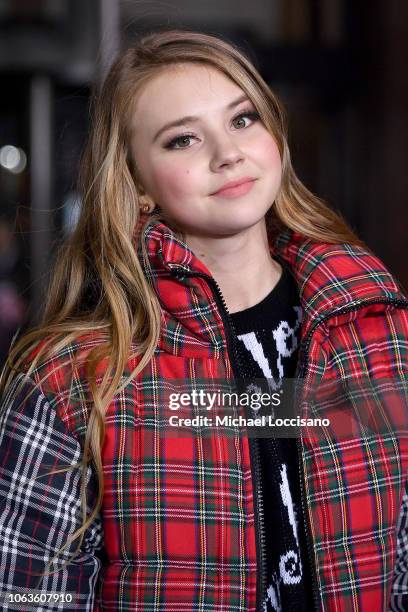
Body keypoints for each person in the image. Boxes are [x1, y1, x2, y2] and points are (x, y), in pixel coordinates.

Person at [0, 29, 407, 612]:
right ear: (138, 185)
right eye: (183, 139)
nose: (227, 153)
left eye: (243, 120)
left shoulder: (380, 334)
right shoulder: (71, 380)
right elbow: (28, 596)